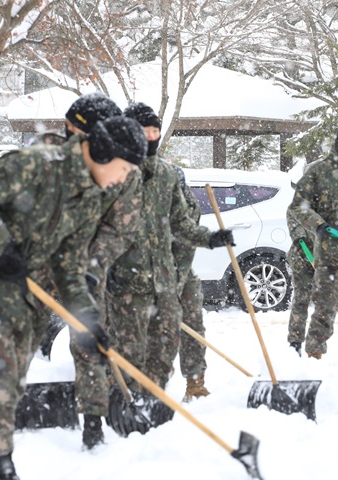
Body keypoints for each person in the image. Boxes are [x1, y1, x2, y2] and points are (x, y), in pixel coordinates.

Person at [0, 115, 144, 480]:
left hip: (19, 297)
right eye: (125, 168)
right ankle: (3, 466)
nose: (124, 178)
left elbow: (69, 264)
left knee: (7, 384)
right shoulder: (38, 166)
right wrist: (0, 247)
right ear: (105, 153)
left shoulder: (89, 198)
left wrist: (88, 321)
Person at [105, 102, 233, 394]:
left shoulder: (169, 174)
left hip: (172, 267)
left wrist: (198, 247)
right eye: (144, 131)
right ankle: (120, 394)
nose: (151, 137)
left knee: (180, 332)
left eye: (155, 131)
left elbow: (184, 219)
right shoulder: (110, 172)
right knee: (127, 342)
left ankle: (189, 383)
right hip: (125, 274)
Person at [61, 94, 144, 449]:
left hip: (98, 267)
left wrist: (92, 266)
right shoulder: (56, 160)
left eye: (73, 128)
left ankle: (95, 417)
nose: (68, 134)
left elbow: (121, 227)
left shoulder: (124, 171)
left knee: (92, 339)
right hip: (45, 263)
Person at [287, 121, 338, 364]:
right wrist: (315, 232)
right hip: (308, 256)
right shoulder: (317, 175)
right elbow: (297, 217)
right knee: (304, 301)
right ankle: (295, 346)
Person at [171, 165, 211, 402]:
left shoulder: (189, 206)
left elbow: (185, 248)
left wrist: (173, 283)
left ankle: (195, 383)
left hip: (181, 271)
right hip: (144, 271)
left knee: (193, 325)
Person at [285, 206, 316, 356]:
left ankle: (318, 345)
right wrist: (300, 238)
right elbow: (297, 233)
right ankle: (295, 344)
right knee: (301, 300)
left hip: (325, 259)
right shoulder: (295, 208)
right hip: (301, 260)